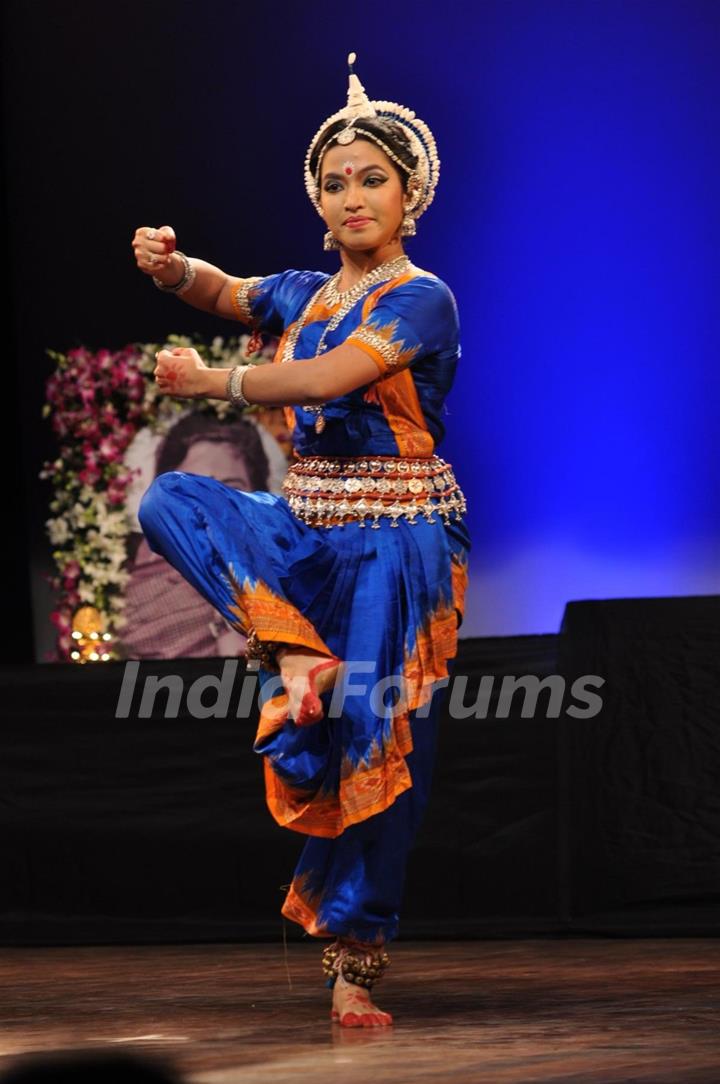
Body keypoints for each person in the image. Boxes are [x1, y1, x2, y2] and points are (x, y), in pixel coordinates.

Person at [131, 53, 471, 1028]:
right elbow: (227, 293)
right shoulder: (300, 292)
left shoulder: (422, 298)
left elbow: (327, 383)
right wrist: (170, 268)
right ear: (317, 203)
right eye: (335, 181)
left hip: (400, 541)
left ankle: (352, 966)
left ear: (410, 194)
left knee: (376, 734)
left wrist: (216, 386)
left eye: (372, 177)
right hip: (309, 528)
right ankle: (291, 651)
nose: (352, 194)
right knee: (172, 502)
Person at [121, 412, 271, 659]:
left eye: (230, 488)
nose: (210, 505)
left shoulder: (282, 579)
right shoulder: (133, 594)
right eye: (193, 489)